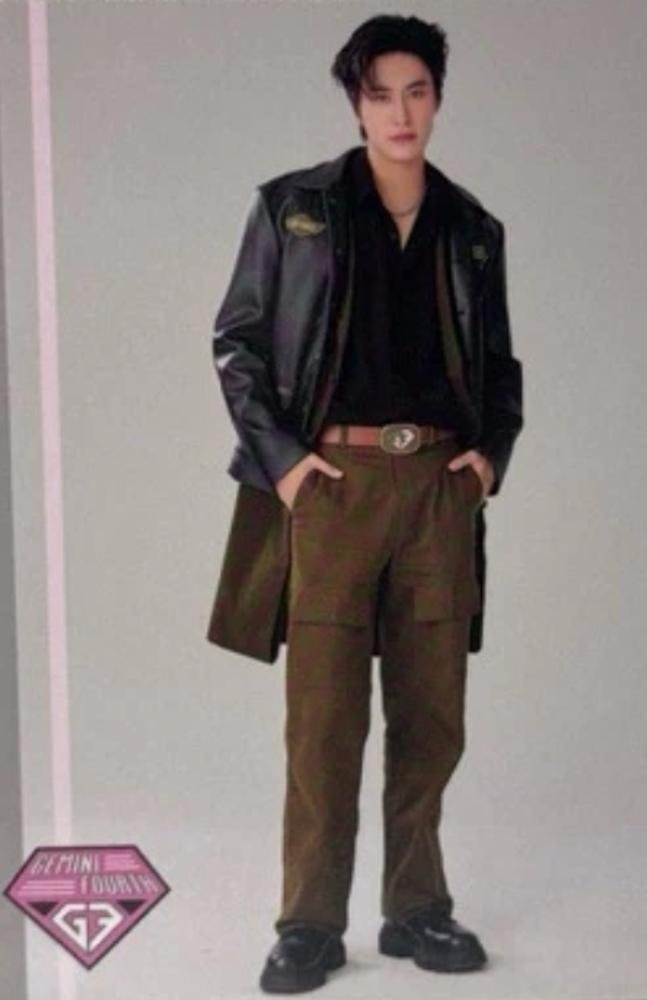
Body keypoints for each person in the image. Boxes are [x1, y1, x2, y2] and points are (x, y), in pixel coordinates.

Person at [206, 13, 523, 994]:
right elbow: (237, 341)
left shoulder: (472, 230)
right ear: (355, 102)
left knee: (431, 718)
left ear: (437, 99)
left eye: (416, 91)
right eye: (380, 93)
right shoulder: (293, 207)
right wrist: (285, 465)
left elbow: (500, 368)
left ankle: (415, 908)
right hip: (332, 489)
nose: (400, 112)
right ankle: (308, 924)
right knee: (323, 720)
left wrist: (486, 462)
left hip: (435, 491)